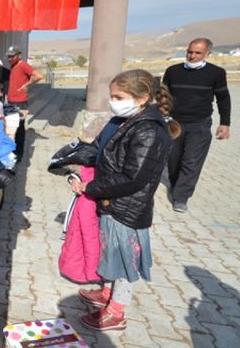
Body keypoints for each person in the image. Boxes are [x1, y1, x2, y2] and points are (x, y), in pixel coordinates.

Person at [72, 69, 180, 331]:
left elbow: (133, 178)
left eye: (118, 97)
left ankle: (116, 311)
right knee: (110, 252)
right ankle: (107, 293)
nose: (113, 101)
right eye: (112, 96)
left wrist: (90, 187)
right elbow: (97, 148)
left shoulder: (149, 131)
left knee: (123, 259)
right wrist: (72, 161)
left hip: (126, 208)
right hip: (110, 202)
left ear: (142, 99)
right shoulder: (121, 120)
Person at [163, 37, 231, 213]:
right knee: (173, 159)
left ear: (207, 54)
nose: (192, 56)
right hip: (174, 123)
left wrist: (225, 123)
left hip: (199, 124)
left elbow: (223, 99)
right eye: (190, 52)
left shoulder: (216, 73)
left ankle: (181, 197)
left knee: (191, 161)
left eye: (198, 53)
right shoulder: (172, 71)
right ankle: (175, 184)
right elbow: (163, 97)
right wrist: (162, 117)